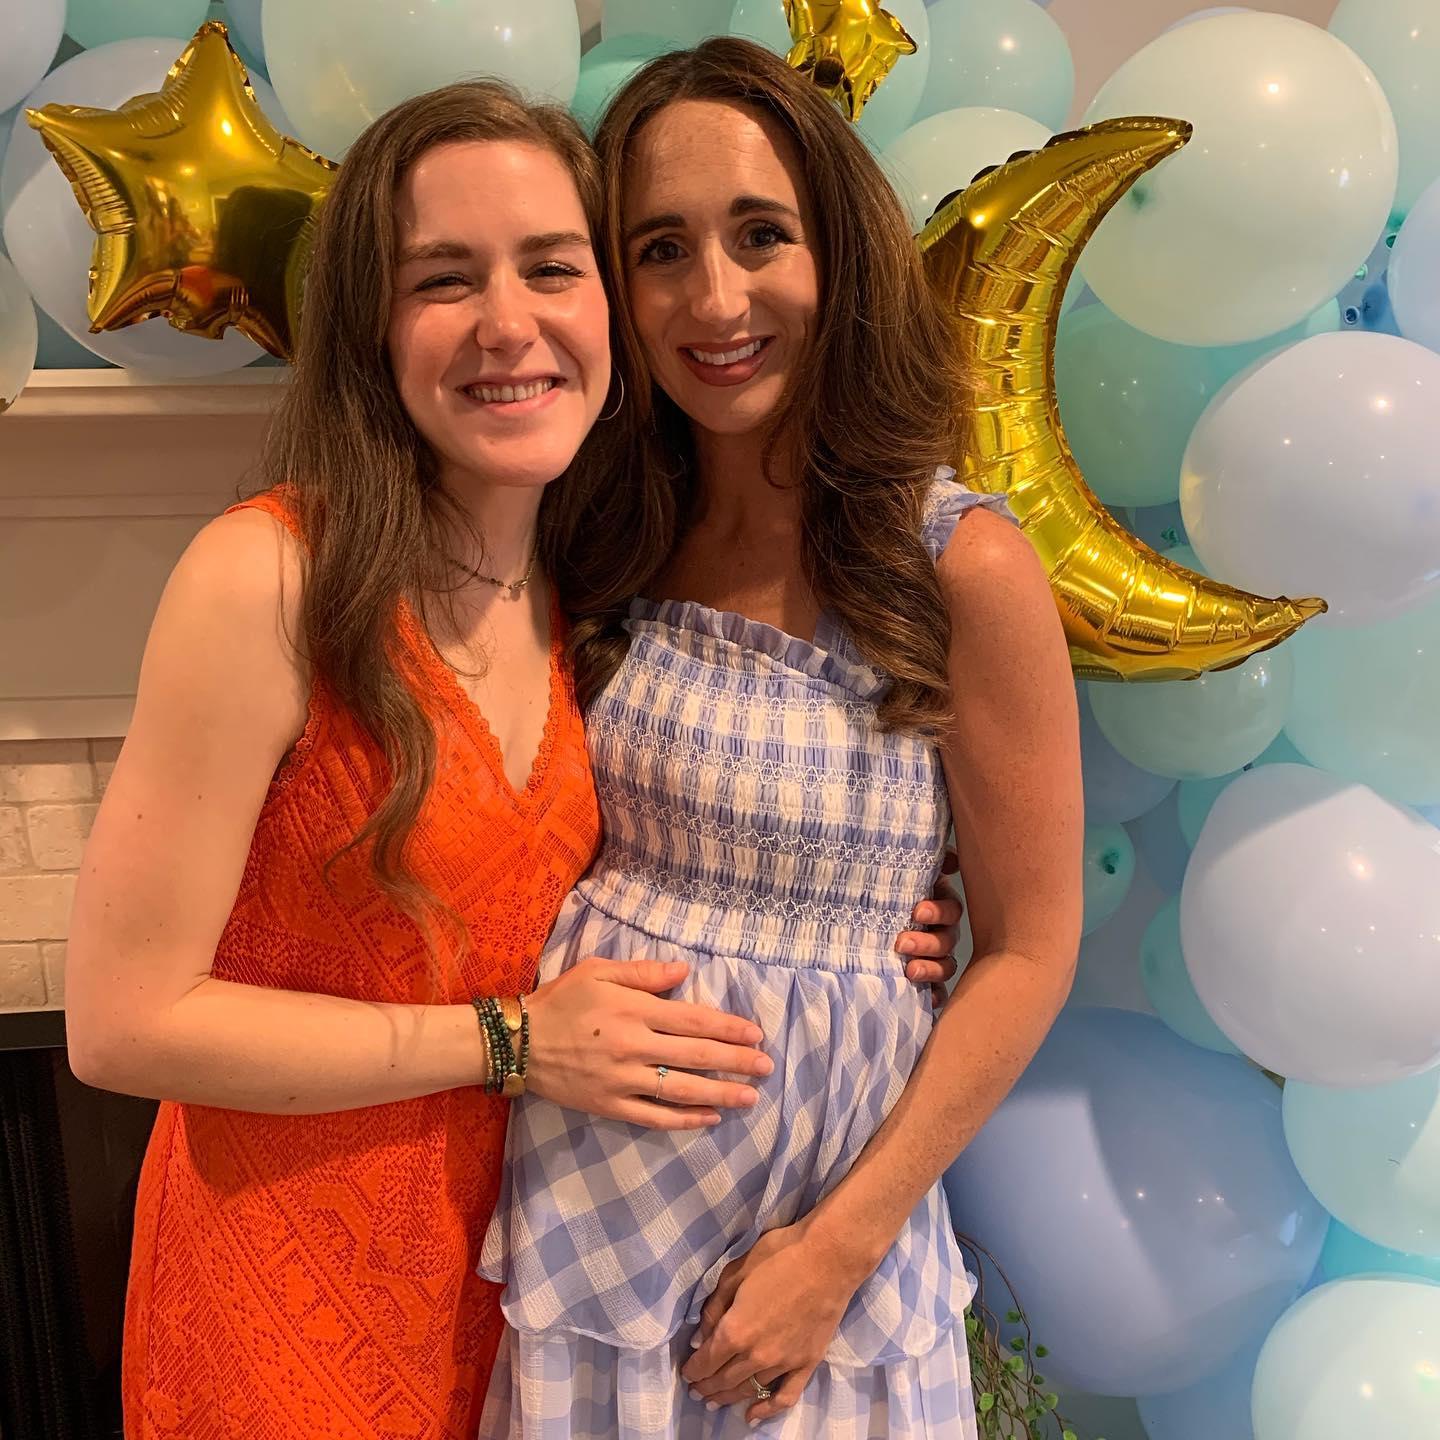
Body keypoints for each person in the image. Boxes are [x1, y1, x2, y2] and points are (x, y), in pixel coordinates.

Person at [64, 79, 957, 1439]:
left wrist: (872, 914)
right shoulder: (270, 578)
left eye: (551, 267)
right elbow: (122, 1024)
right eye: (443, 279)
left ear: (610, 310)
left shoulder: (590, 581)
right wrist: (514, 1045)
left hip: (534, 1299)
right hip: (289, 1304)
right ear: (372, 326)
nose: (507, 323)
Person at [480, 38, 1084, 1439]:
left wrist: (834, 1258)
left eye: (761, 235)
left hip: (821, 1264)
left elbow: (1033, 950)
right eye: (661, 250)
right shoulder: (590, 532)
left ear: (840, 254)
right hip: (588, 1227)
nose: (715, 298)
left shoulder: (960, 566)